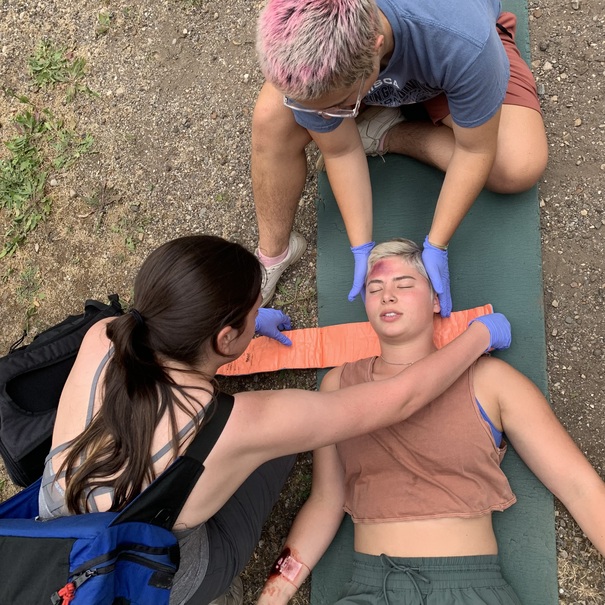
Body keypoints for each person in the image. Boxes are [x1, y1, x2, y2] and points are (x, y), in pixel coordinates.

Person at [37, 234, 510, 605]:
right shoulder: (251, 422)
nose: (388, 295)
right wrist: (476, 337)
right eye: (253, 311)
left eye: (406, 284)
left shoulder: (106, 334)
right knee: (275, 456)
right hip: (148, 579)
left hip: (52, 543)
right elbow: (402, 399)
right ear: (224, 339)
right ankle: (209, 593)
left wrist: (235, 329)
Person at [257, 238, 605, 605]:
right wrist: (274, 593)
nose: (387, 295)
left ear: (437, 300)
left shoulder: (490, 380)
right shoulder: (339, 385)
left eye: (404, 285)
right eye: (374, 288)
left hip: (468, 590)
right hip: (370, 590)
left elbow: (578, 486)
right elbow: (327, 500)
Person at [252, 0, 548, 313]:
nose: (325, 118)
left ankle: (386, 132)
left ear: (375, 46)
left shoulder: (465, 42)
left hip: (447, 62)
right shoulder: (311, 29)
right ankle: (274, 253)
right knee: (271, 118)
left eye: (338, 105)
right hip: (356, 71)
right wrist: (361, 246)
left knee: (518, 164)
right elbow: (340, 149)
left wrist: (437, 244)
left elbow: (474, 149)